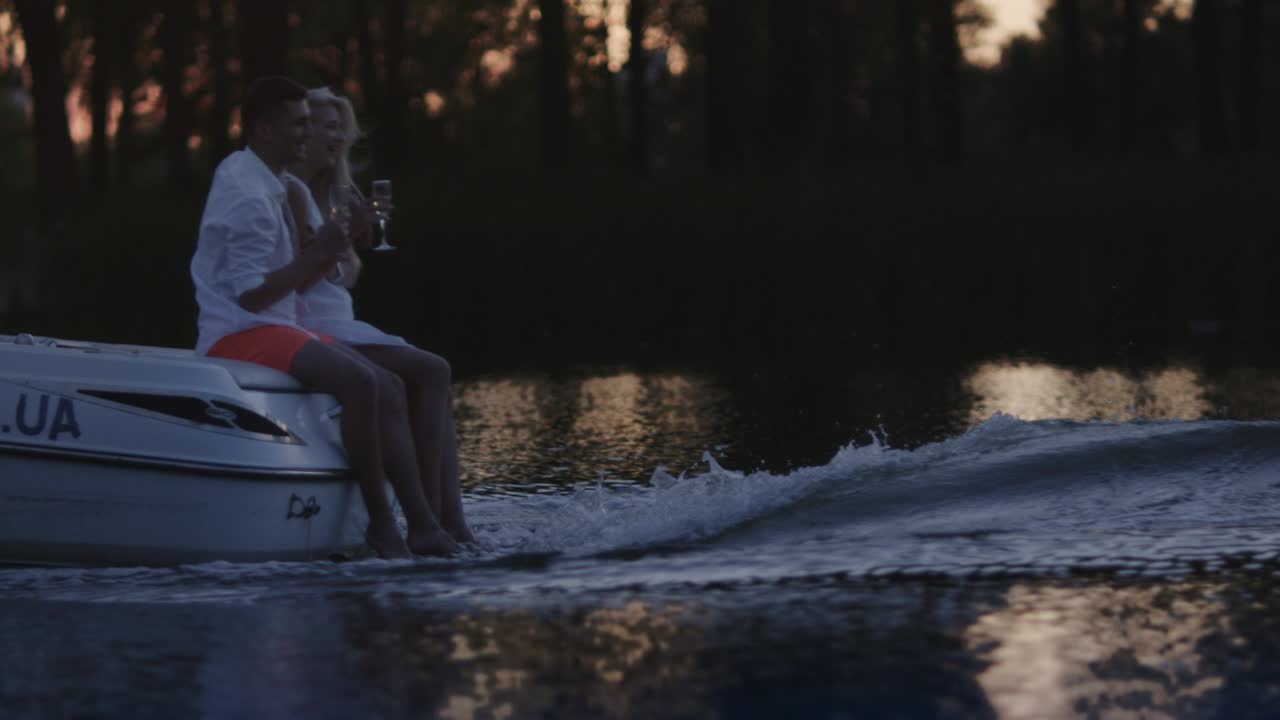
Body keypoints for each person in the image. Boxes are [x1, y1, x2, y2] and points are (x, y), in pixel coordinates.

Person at [190, 76, 457, 559]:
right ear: (265, 130)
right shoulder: (248, 193)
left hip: (274, 325)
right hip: (238, 333)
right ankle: (384, 524)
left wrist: (326, 251)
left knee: (388, 384)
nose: (306, 133)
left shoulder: (269, 181)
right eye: (299, 124)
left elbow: (283, 279)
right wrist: (322, 254)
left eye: (309, 123)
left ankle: (422, 526)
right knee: (363, 383)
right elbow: (250, 297)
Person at [285, 86, 474, 544]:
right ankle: (428, 522)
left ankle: (453, 524)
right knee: (431, 369)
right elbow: (292, 281)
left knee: (434, 375)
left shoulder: (332, 192)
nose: (335, 137)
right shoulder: (287, 191)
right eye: (326, 127)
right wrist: (335, 246)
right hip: (306, 323)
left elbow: (343, 276)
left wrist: (356, 242)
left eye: (339, 128)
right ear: (301, 130)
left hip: (337, 319)